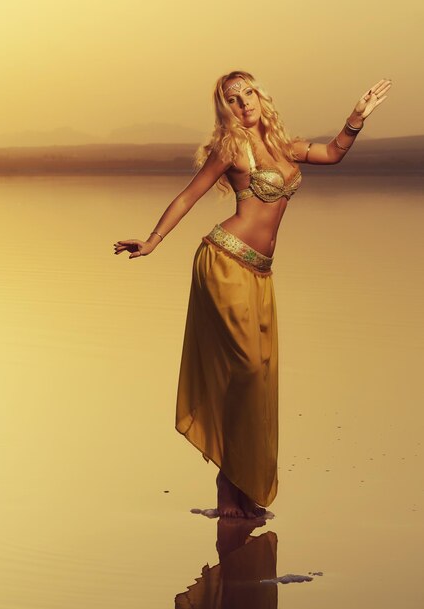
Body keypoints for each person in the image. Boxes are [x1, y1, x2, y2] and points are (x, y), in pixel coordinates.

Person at [113, 70, 392, 518]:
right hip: (223, 262)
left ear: (260, 96)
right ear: (226, 108)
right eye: (232, 99)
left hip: (261, 274)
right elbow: (189, 196)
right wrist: (152, 241)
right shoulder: (231, 149)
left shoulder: (287, 146)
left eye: (247, 93)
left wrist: (356, 117)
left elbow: (335, 152)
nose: (243, 104)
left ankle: (242, 489)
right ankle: (228, 485)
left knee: (260, 374)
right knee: (245, 369)